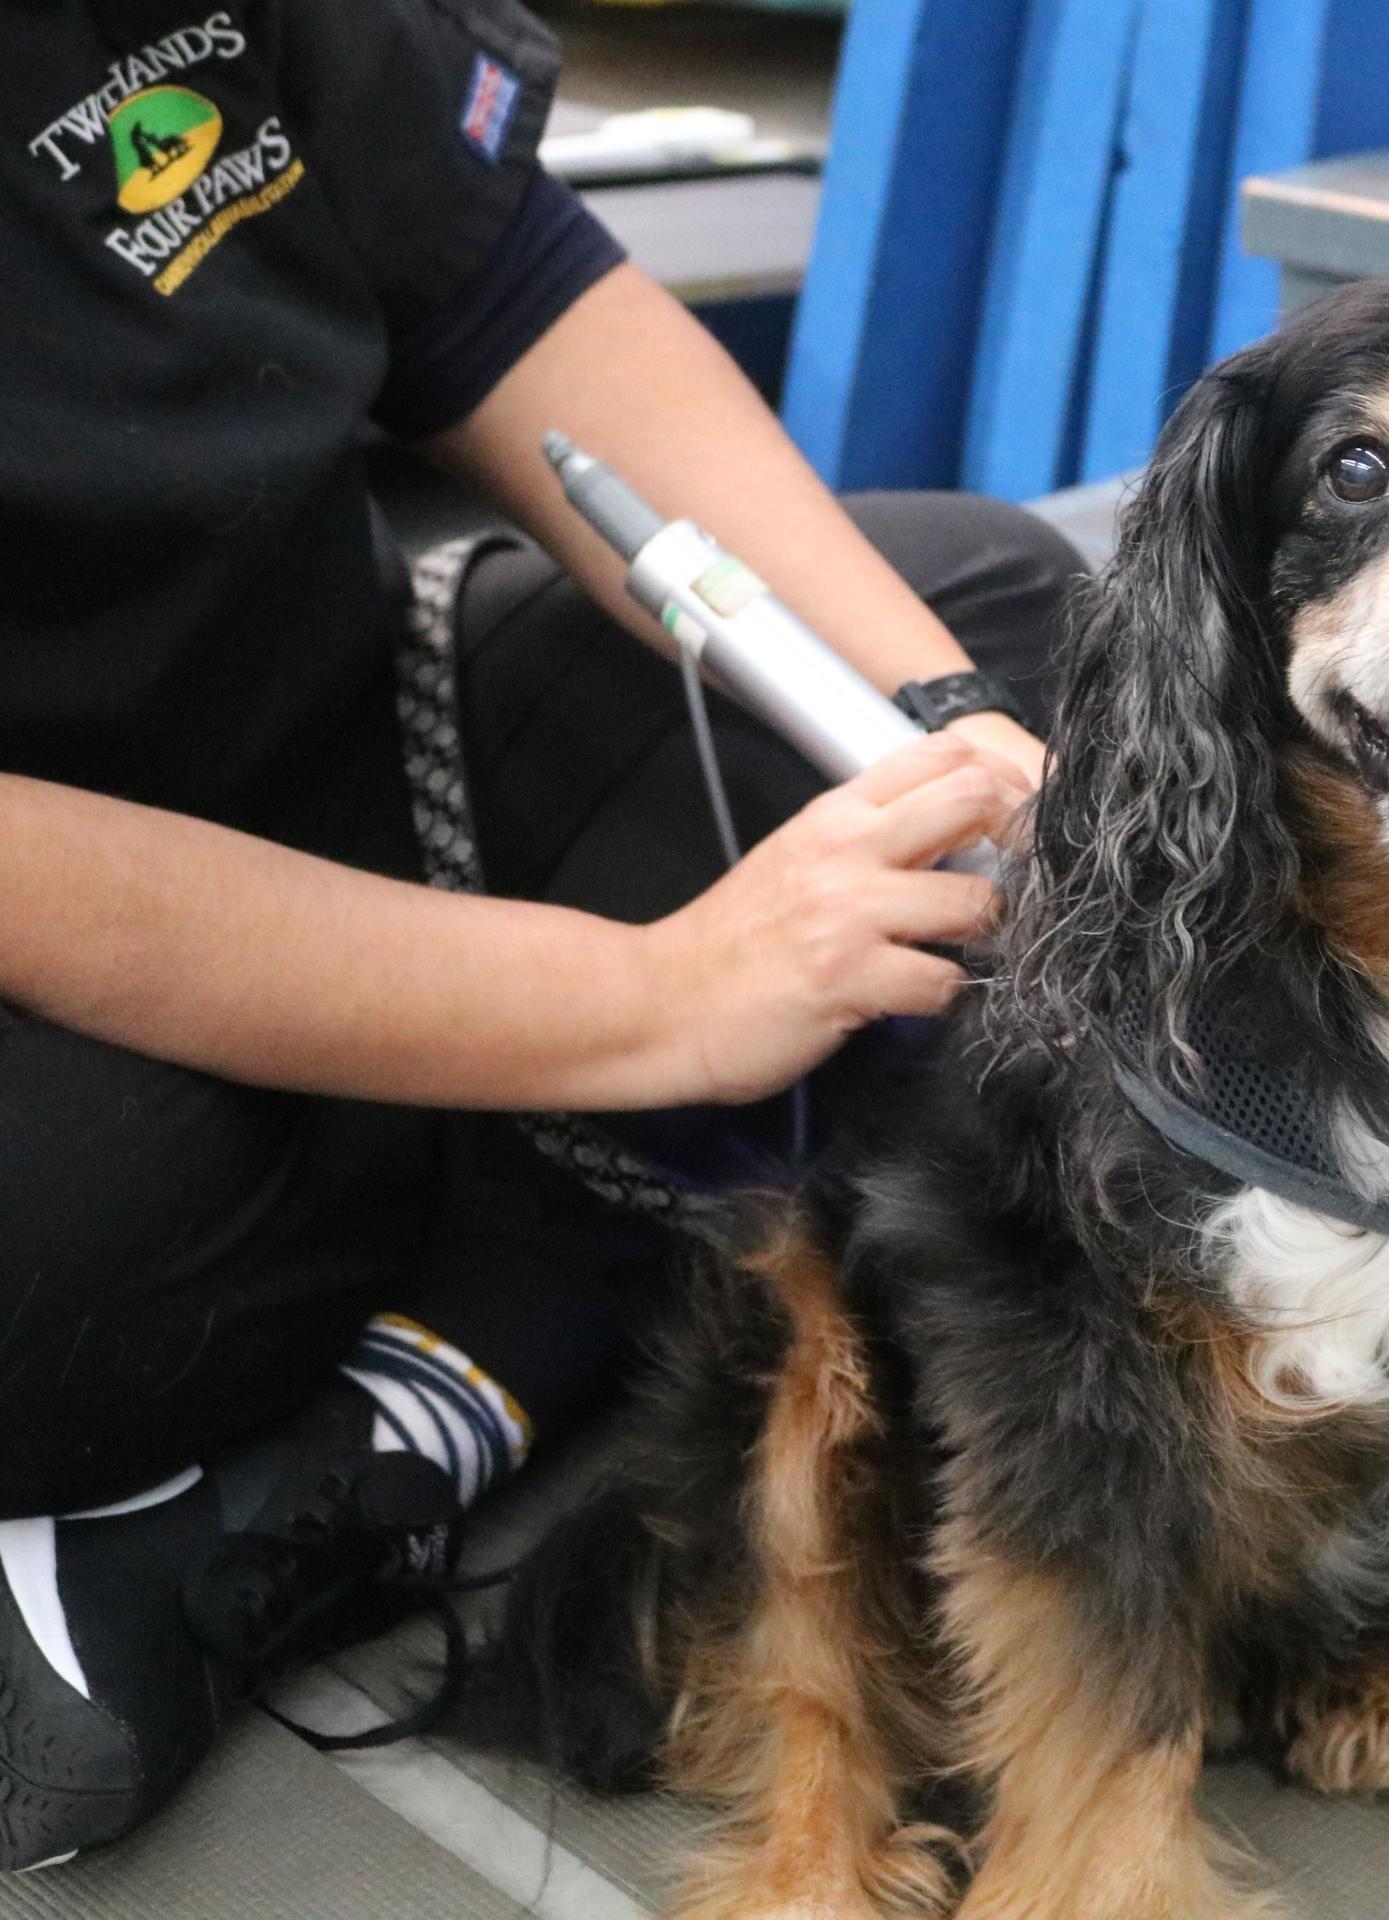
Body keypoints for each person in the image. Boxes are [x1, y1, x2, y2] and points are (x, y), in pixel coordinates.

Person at [0, 0, 1082, 1870]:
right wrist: (658, 999)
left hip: (335, 744)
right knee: (56, 1215)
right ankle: (513, 1288)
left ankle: (417, 1382)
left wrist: (928, 723)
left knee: (1016, 604)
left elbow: (506, 294)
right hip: (56, 963)